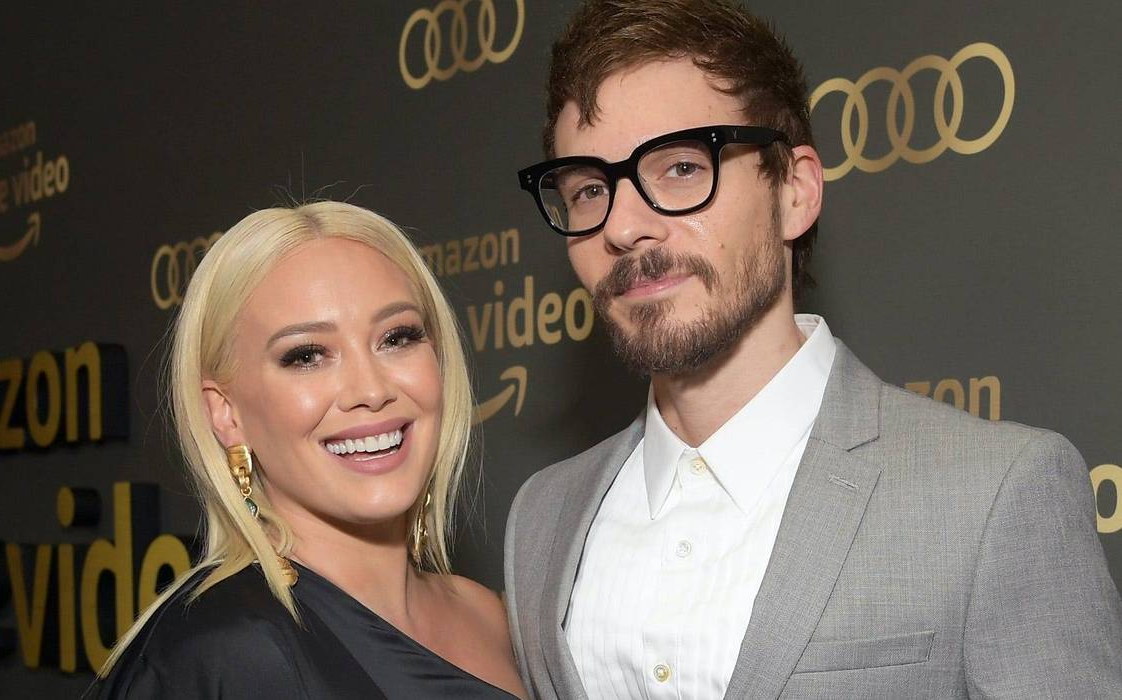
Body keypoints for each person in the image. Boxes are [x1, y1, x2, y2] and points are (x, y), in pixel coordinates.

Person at [504, 1, 1122, 698]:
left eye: (680, 167)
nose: (622, 227)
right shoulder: (542, 517)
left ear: (795, 192)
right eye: (589, 189)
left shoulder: (994, 495)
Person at [87, 202, 526, 699]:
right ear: (226, 413)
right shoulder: (222, 654)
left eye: (397, 338)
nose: (371, 389)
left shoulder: (491, 618)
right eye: (307, 356)